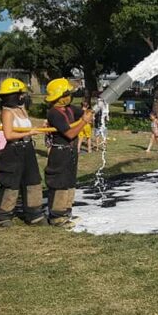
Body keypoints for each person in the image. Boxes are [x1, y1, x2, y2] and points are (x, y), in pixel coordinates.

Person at [0, 78, 46, 227]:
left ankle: (34, 214)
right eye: (20, 94)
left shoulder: (22, 109)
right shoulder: (7, 112)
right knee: (11, 183)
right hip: (13, 150)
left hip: (27, 149)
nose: (23, 96)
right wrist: (28, 133)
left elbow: (27, 127)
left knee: (32, 181)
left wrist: (40, 126)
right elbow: (8, 135)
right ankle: (3, 215)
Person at [44, 78, 93, 228]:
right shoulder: (54, 113)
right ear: (60, 96)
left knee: (70, 181)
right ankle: (57, 217)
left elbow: (83, 113)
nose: (70, 96)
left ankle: (66, 211)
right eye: (67, 94)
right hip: (60, 151)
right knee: (59, 183)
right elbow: (70, 134)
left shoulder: (69, 108)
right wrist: (84, 121)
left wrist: (90, 112)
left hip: (70, 152)